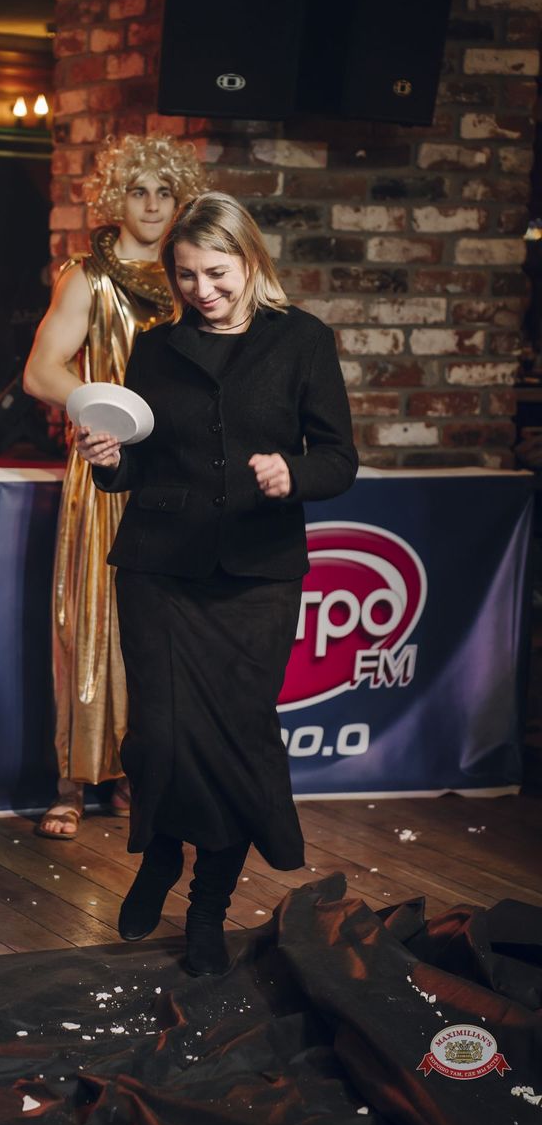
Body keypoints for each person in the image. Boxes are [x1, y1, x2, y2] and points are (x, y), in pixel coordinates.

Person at [75, 192, 358, 975]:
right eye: (187, 275)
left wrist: (293, 472)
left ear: (251, 260)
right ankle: (161, 853)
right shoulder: (156, 348)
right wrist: (109, 460)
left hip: (257, 574)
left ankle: (207, 905)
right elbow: (136, 462)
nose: (202, 290)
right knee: (161, 734)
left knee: (234, 743)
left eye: (217, 273)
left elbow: (339, 459)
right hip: (160, 566)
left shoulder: (302, 340)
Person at [23, 134, 205, 840]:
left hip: (175, 473)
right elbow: (42, 370)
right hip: (105, 465)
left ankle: (138, 773)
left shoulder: (193, 277)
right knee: (90, 622)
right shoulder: (88, 277)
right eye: (139, 190)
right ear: (116, 197)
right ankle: (71, 783)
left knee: (158, 627)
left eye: (165, 191)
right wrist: (103, 412)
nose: (153, 205)